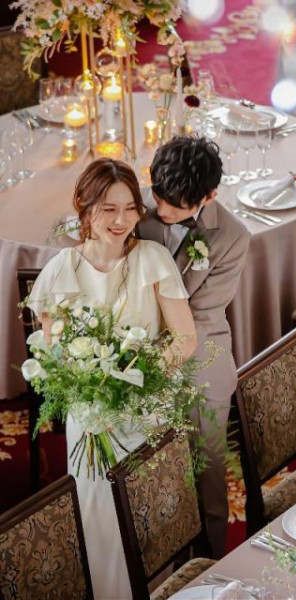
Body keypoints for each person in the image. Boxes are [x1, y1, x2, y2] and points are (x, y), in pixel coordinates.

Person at [27, 158, 197, 600]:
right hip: (93, 418)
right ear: (85, 209)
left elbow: (185, 339)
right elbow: (54, 357)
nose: (121, 220)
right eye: (108, 209)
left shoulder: (152, 259)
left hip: (148, 409)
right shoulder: (62, 270)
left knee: (153, 516)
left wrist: (137, 380)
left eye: (129, 208)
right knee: (99, 519)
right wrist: (94, 387)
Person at [138, 135, 250, 559]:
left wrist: (160, 360)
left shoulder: (233, 237)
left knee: (207, 470)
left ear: (209, 197)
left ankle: (210, 561)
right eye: (158, 196)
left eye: (175, 205)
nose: (162, 210)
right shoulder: (137, 209)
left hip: (200, 354)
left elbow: (200, 314)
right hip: (136, 346)